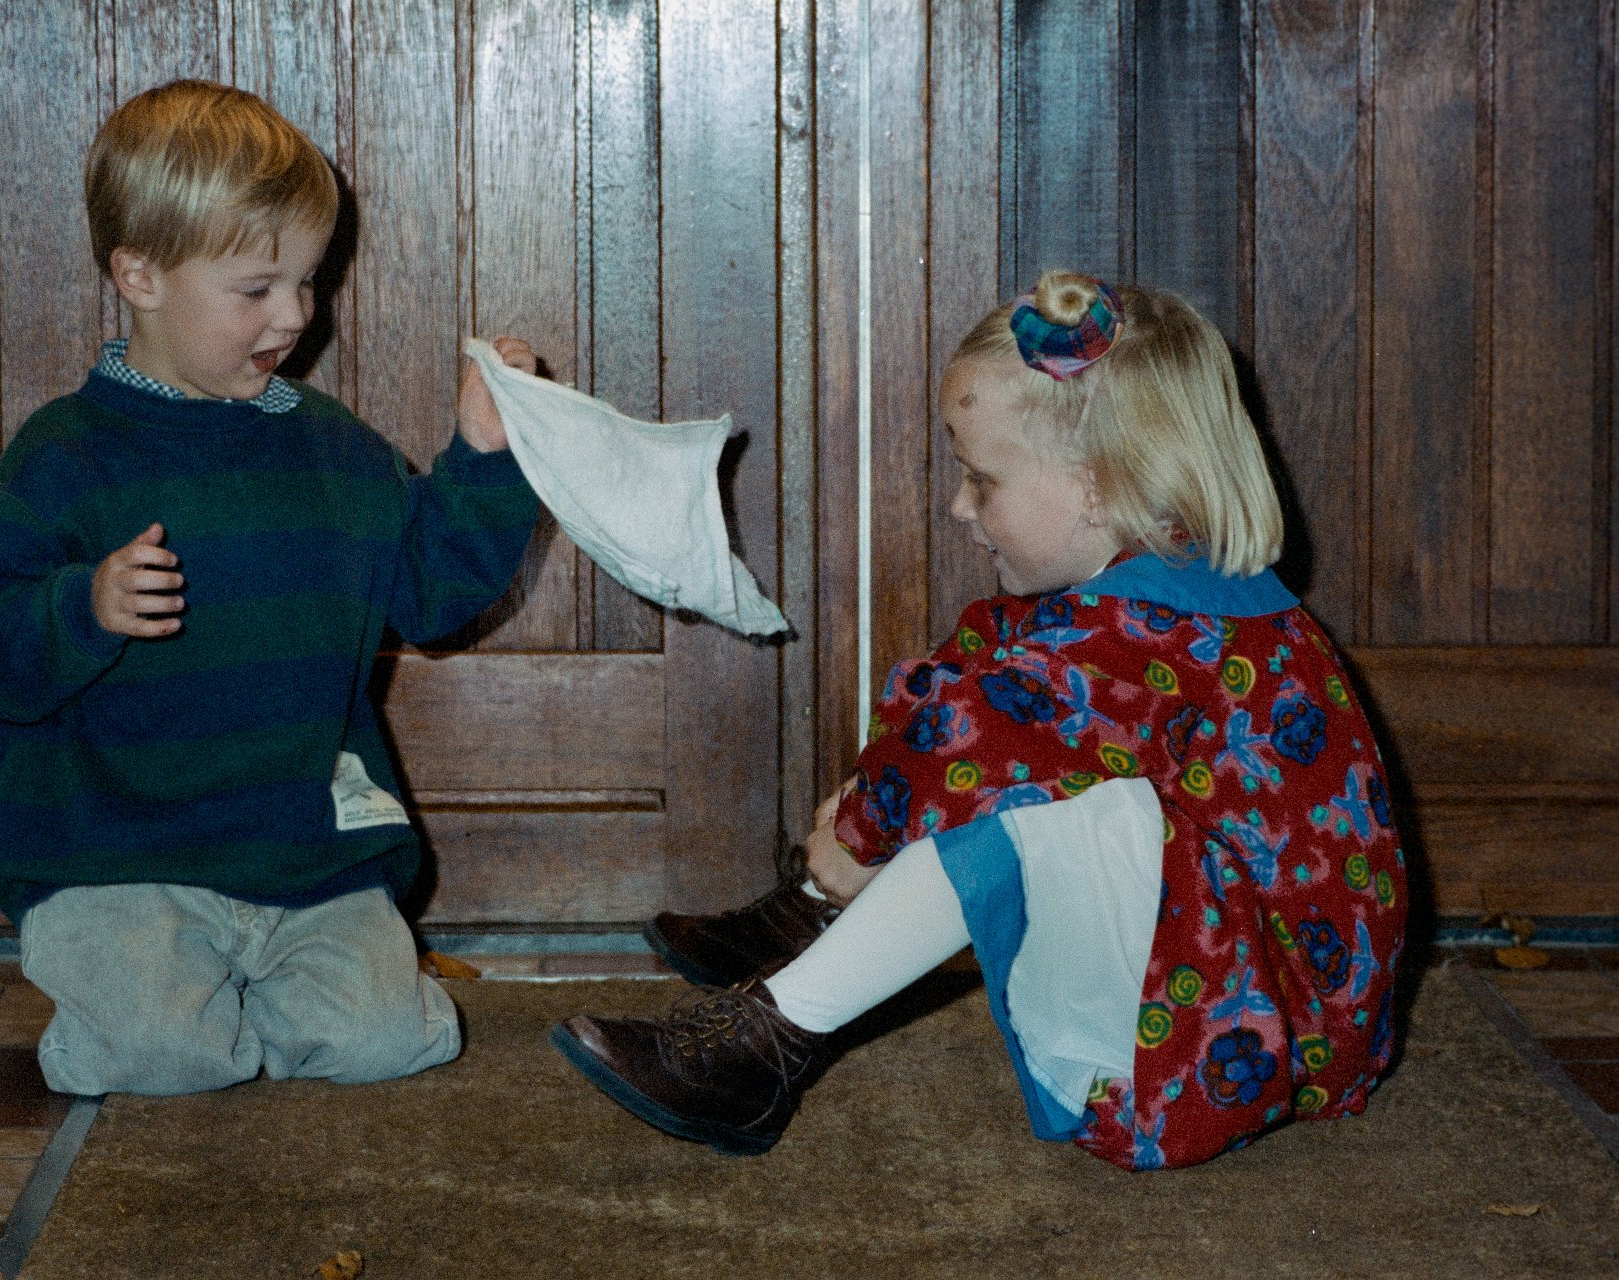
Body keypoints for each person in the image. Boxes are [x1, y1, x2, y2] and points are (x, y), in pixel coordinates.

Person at [554, 271, 1406, 1170]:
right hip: (1246, 994)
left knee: (1005, 783)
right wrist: (871, 809)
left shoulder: (1152, 632)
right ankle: (806, 918)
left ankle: (771, 1042)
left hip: (1250, 1040)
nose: (960, 506)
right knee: (982, 701)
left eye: (982, 480)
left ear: (1094, 488)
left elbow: (979, 734)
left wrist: (861, 830)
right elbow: (967, 687)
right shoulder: (1165, 595)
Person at [0, 79, 544, 1096]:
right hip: (114, 864)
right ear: (140, 274)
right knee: (160, 1054)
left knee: (379, 1041)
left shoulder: (334, 449)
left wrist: (483, 457)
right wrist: (81, 607)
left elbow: (431, 594)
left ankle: (317, 992)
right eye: (256, 289)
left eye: (308, 281)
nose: (296, 315)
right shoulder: (65, 455)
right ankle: (150, 1005)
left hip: (308, 860)